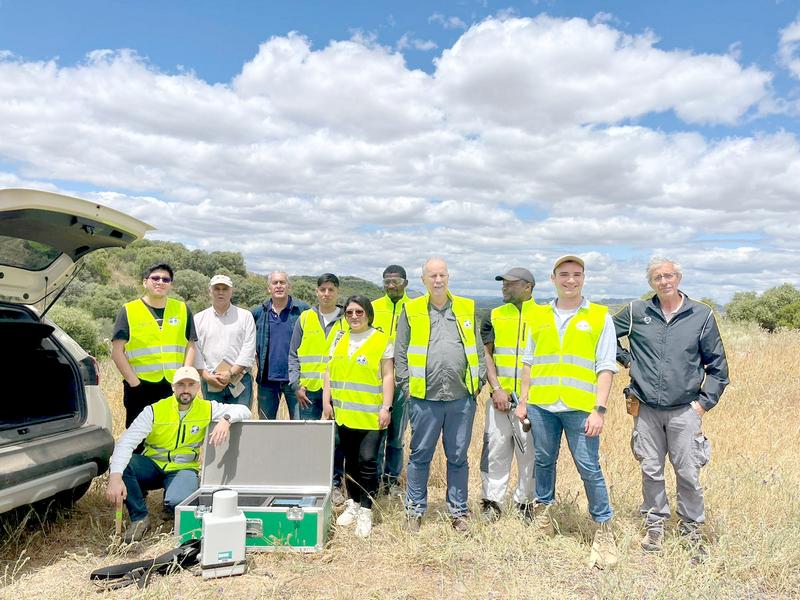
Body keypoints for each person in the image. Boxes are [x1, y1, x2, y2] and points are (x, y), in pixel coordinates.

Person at [614, 257, 729, 560]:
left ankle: (691, 530)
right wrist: (627, 360)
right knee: (651, 470)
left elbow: (718, 367)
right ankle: (655, 527)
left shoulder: (701, 314)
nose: (664, 281)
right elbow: (604, 335)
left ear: (678, 278)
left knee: (688, 472)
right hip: (645, 408)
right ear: (650, 282)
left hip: (684, 410)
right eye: (657, 277)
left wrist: (703, 404)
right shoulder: (637, 312)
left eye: (669, 276)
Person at [514, 255, 619, 569]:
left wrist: (599, 410)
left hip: (580, 408)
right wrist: (523, 401)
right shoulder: (538, 315)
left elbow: (605, 366)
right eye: (563, 274)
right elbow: (529, 362)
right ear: (553, 278)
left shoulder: (599, 316)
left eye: (576, 274)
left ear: (583, 278)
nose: (570, 280)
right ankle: (544, 516)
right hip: (542, 405)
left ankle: (604, 530)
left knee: (589, 467)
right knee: (544, 461)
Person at [105, 366, 251, 543]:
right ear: (173, 387)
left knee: (178, 502)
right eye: (181, 385)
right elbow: (126, 443)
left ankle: (171, 502)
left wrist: (226, 420)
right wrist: (114, 478)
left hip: (183, 468)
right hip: (152, 466)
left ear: (198, 387)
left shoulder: (207, 408)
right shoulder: (154, 410)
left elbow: (244, 410)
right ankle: (140, 518)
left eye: (191, 385)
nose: (186, 390)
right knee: (123, 466)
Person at [395, 257, 486, 533]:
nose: (438, 280)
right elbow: (401, 352)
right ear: (423, 280)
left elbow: (478, 350)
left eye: (442, 275)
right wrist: (407, 387)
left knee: (458, 456)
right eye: (432, 276)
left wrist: (478, 383)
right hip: (425, 399)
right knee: (420, 455)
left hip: (461, 398)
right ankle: (414, 510)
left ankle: (458, 512)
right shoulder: (411, 310)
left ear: (448, 277)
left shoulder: (466, 307)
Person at [322, 295, 394, 538]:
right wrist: (327, 402)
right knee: (350, 462)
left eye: (359, 312)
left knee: (367, 461)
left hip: (371, 415)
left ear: (368, 314)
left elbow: (388, 376)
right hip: (345, 414)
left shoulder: (381, 339)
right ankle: (352, 503)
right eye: (350, 312)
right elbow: (329, 371)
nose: (354, 316)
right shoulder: (339, 338)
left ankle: (366, 510)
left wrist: (386, 407)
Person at [479, 267, 537, 522]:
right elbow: (486, 354)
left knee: (530, 455)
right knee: (495, 451)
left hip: (532, 402)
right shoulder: (493, 315)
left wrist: (529, 397)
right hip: (499, 400)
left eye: (511, 283)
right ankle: (492, 503)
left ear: (527, 287)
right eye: (503, 283)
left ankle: (525, 504)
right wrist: (496, 389)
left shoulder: (545, 316)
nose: (504, 287)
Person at [111, 263, 197, 430]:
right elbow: (117, 351)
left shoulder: (182, 309)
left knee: (170, 434)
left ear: (170, 284)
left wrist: (185, 378)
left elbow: (191, 345)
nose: (160, 282)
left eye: (166, 279)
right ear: (145, 282)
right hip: (140, 386)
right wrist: (134, 382)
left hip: (173, 385)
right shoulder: (129, 310)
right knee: (138, 438)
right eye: (155, 278)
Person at [288, 273, 348, 503]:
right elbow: (293, 354)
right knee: (310, 439)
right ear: (317, 291)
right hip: (308, 392)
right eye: (322, 289)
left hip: (337, 392)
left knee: (337, 441)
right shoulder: (305, 319)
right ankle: (311, 484)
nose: (326, 293)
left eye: (331, 289)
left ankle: (335, 484)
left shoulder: (347, 320)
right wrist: (295, 384)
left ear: (337, 292)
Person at [371, 265, 411, 496]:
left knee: (396, 437)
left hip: (403, 383)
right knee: (377, 433)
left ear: (405, 283)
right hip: (376, 382)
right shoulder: (374, 307)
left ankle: (392, 481)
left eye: (396, 281)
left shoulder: (414, 308)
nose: (391, 285)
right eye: (387, 281)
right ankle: (374, 480)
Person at [252, 271, 309, 419]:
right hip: (267, 382)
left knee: (300, 426)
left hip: (296, 381)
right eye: (275, 283)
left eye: (282, 282)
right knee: (266, 425)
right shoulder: (258, 313)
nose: (279, 286)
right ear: (269, 288)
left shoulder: (303, 311)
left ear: (289, 286)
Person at [193, 274, 256, 407]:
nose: (221, 292)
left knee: (240, 419)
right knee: (214, 419)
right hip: (211, 380)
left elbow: (248, 349)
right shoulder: (198, 319)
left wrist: (230, 373)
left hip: (240, 380)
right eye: (217, 288)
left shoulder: (245, 316)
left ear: (231, 291)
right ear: (210, 291)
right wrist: (207, 376)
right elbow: (196, 351)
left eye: (225, 289)